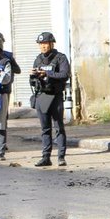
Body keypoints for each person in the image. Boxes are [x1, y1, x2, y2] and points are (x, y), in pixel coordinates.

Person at [30, 31, 71, 167]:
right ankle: (46, 157)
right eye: (41, 44)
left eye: (45, 43)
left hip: (55, 95)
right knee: (45, 129)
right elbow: (33, 80)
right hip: (42, 96)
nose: (43, 46)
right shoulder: (38, 59)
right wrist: (34, 76)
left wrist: (47, 73)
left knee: (58, 127)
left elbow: (65, 74)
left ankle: (61, 157)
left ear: (51, 44)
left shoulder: (60, 58)